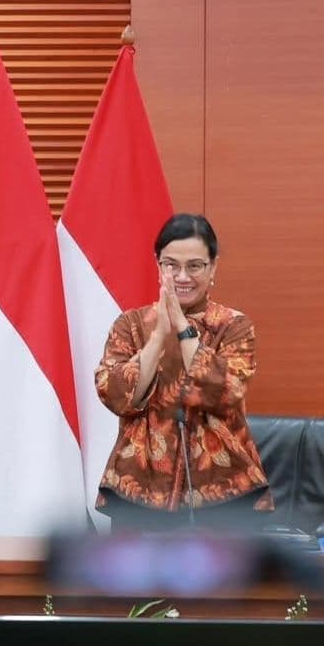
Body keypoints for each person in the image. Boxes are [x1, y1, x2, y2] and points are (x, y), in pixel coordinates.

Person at [94, 213, 273, 532]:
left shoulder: (234, 326)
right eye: (171, 264)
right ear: (158, 266)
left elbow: (226, 391)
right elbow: (115, 394)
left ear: (213, 266)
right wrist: (159, 336)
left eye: (194, 265)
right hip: (139, 488)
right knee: (137, 582)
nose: (182, 276)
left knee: (226, 583)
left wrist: (182, 328)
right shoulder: (131, 325)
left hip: (224, 490)